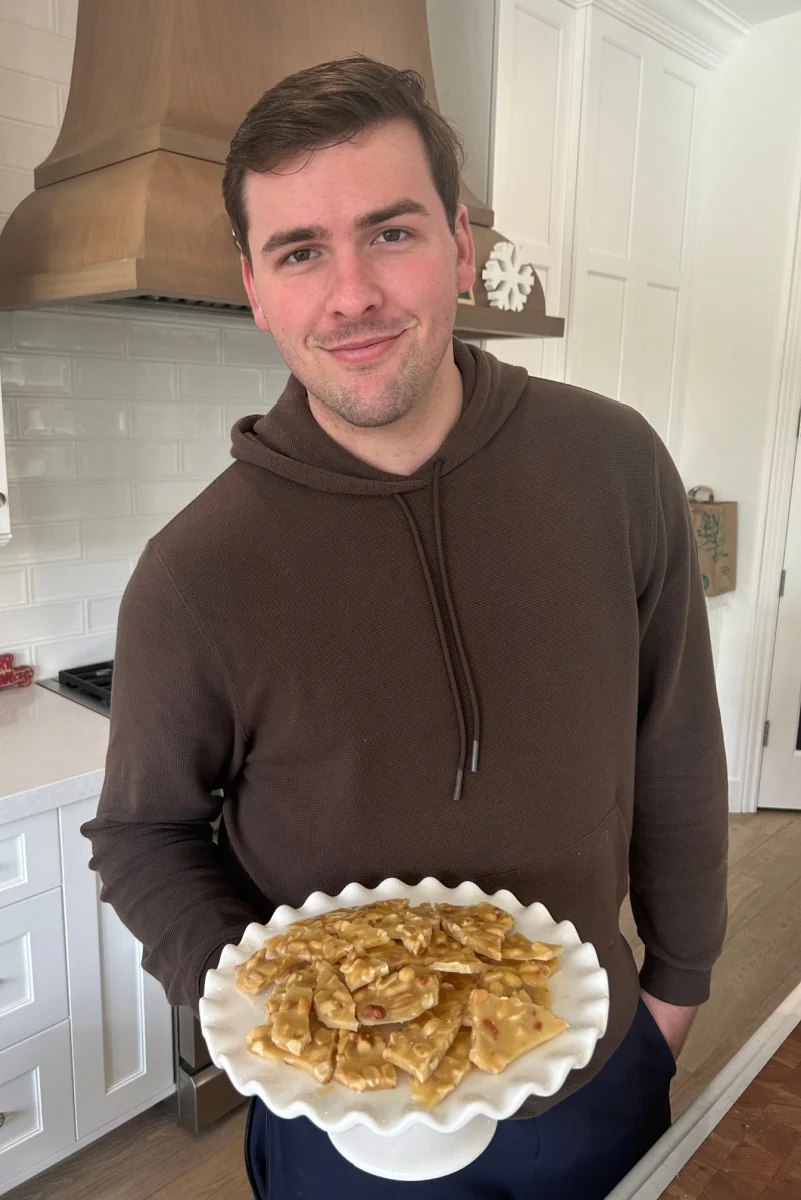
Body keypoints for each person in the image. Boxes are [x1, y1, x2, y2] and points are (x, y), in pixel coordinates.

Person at [82, 55, 729, 1200]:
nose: (352, 295)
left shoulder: (614, 464)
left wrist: (676, 988)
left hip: (597, 1075)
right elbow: (143, 837)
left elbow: (672, 738)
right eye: (299, 251)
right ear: (254, 284)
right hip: (347, 1144)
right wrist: (262, 1015)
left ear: (461, 243)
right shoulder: (195, 576)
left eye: (390, 232)